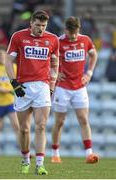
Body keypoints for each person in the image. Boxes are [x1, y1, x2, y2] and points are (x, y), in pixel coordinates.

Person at [4, 10, 59, 175]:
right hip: (23, 87)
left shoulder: (53, 39)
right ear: (31, 24)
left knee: (41, 126)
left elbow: (55, 65)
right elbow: (8, 61)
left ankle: (40, 164)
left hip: (42, 86)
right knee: (24, 129)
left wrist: (51, 86)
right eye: (37, 25)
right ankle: (25, 159)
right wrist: (14, 83)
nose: (40, 29)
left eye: (43, 26)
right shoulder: (18, 37)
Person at [51, 16, 99, 164]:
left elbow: (93, 54)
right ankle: (55, 153)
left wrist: (89, 73)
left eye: (75, 33)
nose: (73, 36)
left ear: (79, 30)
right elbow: (46, 59)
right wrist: (53, 73)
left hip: (79, 86)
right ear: (66, 30)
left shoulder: (85, 40)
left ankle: (89, 154)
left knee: (84, 119)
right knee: (60, 121)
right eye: (70, 33)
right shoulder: (58, 42)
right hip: (62, 88)